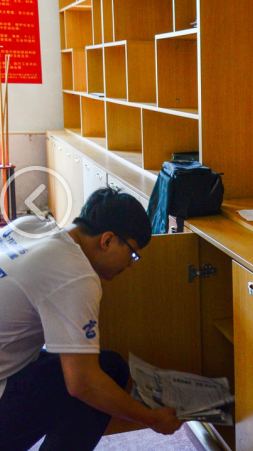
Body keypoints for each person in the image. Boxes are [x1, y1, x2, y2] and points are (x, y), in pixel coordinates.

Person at [0, 187, 183, 451]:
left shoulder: (30, 225)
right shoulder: (75, 275)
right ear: (107, 240)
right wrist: (152, 419)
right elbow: (82, 384)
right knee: (107, 371)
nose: (130, 265)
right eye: (132, 254)